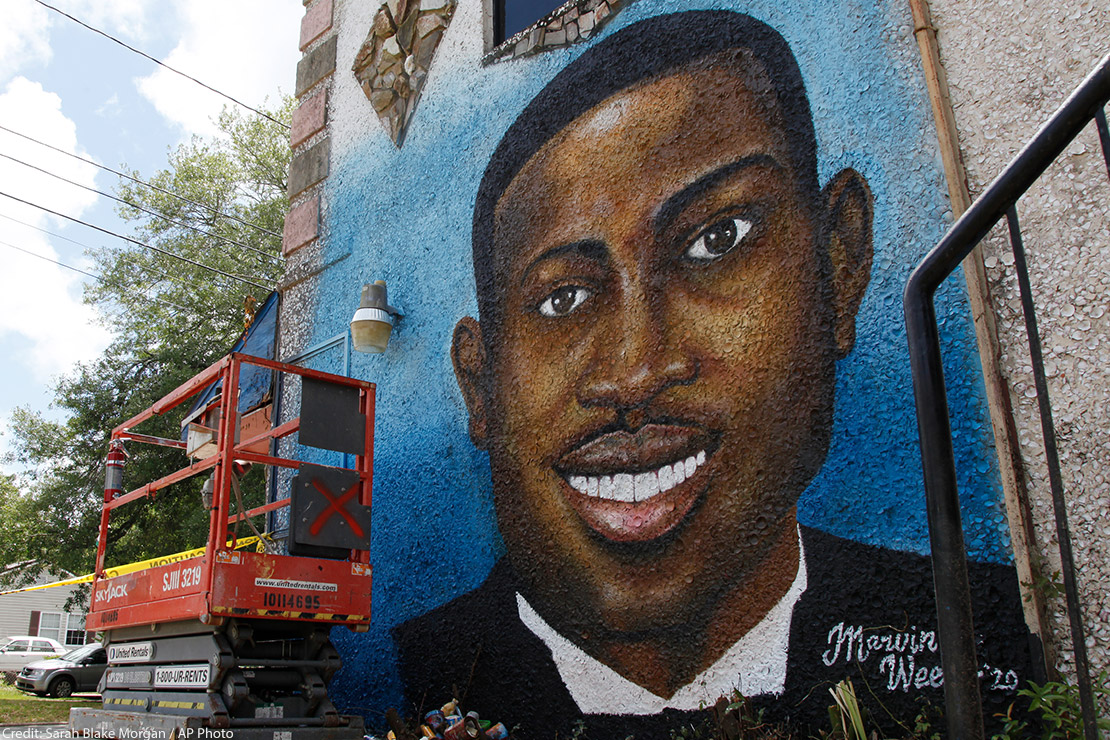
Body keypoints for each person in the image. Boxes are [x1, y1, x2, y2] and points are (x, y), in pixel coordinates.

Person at [395, 11, 1034, 736]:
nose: (637, 370)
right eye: (562, 298)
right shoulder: (417, 668)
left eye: (716, 240)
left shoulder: (971, 624)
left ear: (838, 264)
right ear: (482, 387)